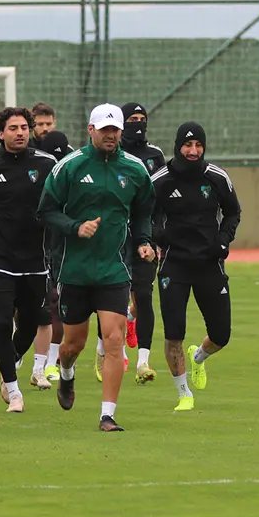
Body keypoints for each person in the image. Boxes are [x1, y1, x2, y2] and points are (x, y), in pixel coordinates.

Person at [37, 104, 155, 432]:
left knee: (114, 338)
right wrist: (75, 227)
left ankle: (107, 415)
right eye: (104, 129)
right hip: (74, 269)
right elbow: (46, 211)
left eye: (115, 130)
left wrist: (144, 239)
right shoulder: (70, 167)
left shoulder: (135, 170)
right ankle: (66, 373)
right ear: (90, 130)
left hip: (113, 269)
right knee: (73, 344)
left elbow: (145, 210)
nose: (110, 135)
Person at [0, 107, 58, 413]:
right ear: (0, 133)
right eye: (13, 128)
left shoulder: (47, 164)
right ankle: (13, 389)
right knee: (2, 321)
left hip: (36, 261)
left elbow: (61, 201)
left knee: (30, 326)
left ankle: (10, 363)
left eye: (24, 127)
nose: (20, 132)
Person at [152, 122, 240, 411]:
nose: (193, 151)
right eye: (187, 145)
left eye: (198, 145)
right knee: (173, 332)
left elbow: (232, 212)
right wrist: (158, 238)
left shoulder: (216, 177)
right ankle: (184, 394)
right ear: (178, 146)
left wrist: (223, 241)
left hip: (208, 263)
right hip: (174, 264)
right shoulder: (161, 180)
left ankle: (198, 357)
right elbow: (145, 215)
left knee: (221, 335)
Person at [119, 101, 167, 385]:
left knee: (145, 295)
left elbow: (161, 195)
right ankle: (116, 347)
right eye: (132, 119)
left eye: (141, 118)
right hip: (116, 236)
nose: (138, 123)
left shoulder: (155, 155)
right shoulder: (114, 153)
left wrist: (157, 233)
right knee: (117, 296)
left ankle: (143, 362)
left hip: (147, 238)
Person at [34, 130, 74, 382]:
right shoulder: (35, 168)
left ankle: (50, 363)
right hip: (36, 243)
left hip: (63, 244)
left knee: (57, 303)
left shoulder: (74, 166)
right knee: (36, 306)